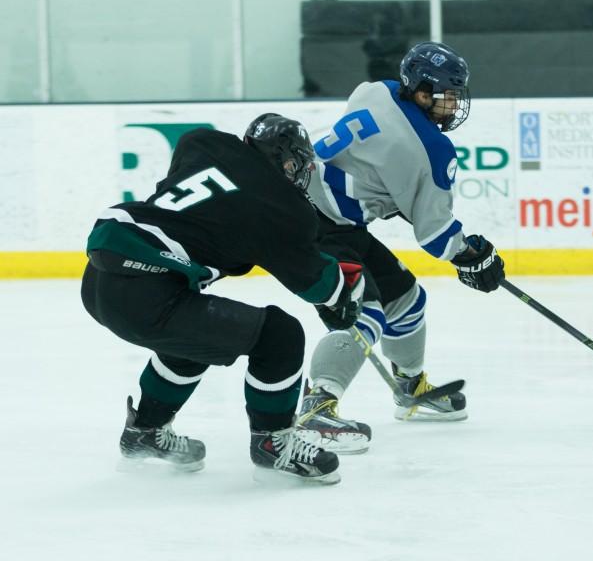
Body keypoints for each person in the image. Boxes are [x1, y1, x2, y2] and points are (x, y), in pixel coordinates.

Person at [80, 113, 366, 483]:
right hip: (145, 295)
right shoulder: (278, 203)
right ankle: (273, 443)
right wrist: (343, 299)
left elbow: (207, 188)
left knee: (190, 345)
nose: (299, 173)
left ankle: (145, 432)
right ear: (285, 160)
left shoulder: (204, 145)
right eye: (297, 163)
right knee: (280, 336)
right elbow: (319, 286)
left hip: (100, 280)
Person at [295, 41, 506, 452]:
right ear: (422, 92)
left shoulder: (376, 90)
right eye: (447, 96)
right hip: (314, 224)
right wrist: (473, 254)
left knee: (406, 299)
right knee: (364, 310)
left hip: (329, 215)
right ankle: (314, 407)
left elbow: (377, 162)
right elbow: (436, 237)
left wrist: (395, 196)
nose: (453, 106)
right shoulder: (429, 148)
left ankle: (409, 388)